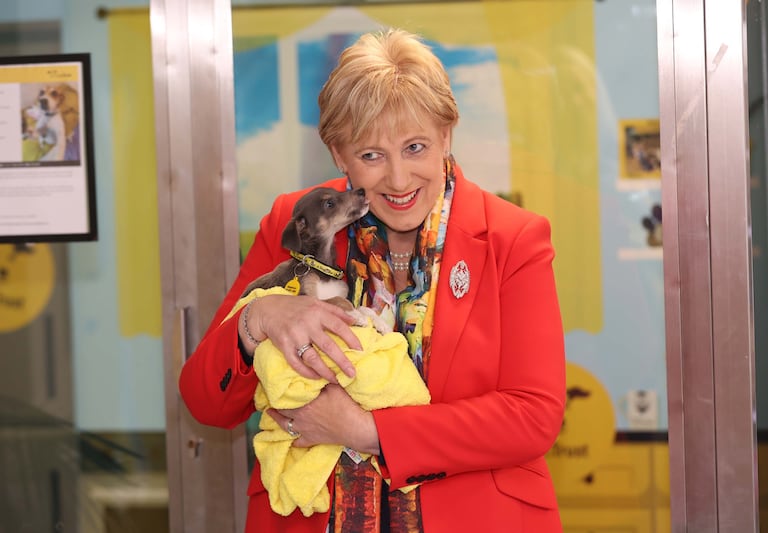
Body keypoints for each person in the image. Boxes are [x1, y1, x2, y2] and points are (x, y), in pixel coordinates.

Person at [179, 28, 566, 533]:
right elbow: (206, 401)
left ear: (446, 136)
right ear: (339, 155)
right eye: (371, 156)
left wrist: (368, 430)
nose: (399, 179)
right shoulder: (297, 224)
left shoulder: (513, 238)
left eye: (415, 147)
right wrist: (259, 318)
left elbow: (532, 415)